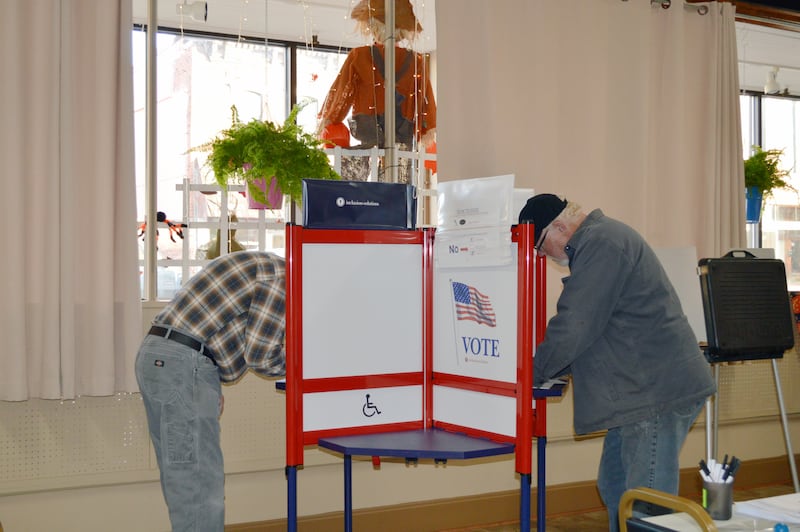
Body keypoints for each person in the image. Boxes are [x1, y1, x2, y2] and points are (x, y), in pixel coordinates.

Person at [518, 194, 716, 532]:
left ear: (561, 227)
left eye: (541, 245)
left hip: (655, 393)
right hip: (641, 390)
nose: (540, 254)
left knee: (646, 501)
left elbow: (576, 324)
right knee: (614, 484)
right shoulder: (599, 242)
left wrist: (529, 374)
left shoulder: (602, 244)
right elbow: (597, 326)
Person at [135, 250, 286, 532]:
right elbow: (261, 356)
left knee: (184, 478)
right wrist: (307, 366)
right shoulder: (283, 278)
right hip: (183, 362)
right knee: (198, 483)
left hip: (163, 356)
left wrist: (205, 383)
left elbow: (226, 345)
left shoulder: (264, 264)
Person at [317, 0, 436, 182]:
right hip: (401, 135)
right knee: (398, 187)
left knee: (356, 191)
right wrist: (425, 129)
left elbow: (342, 93)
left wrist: (330, 118)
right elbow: (425, 102)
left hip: (369, 129)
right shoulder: (416, 61)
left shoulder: (359, 56)